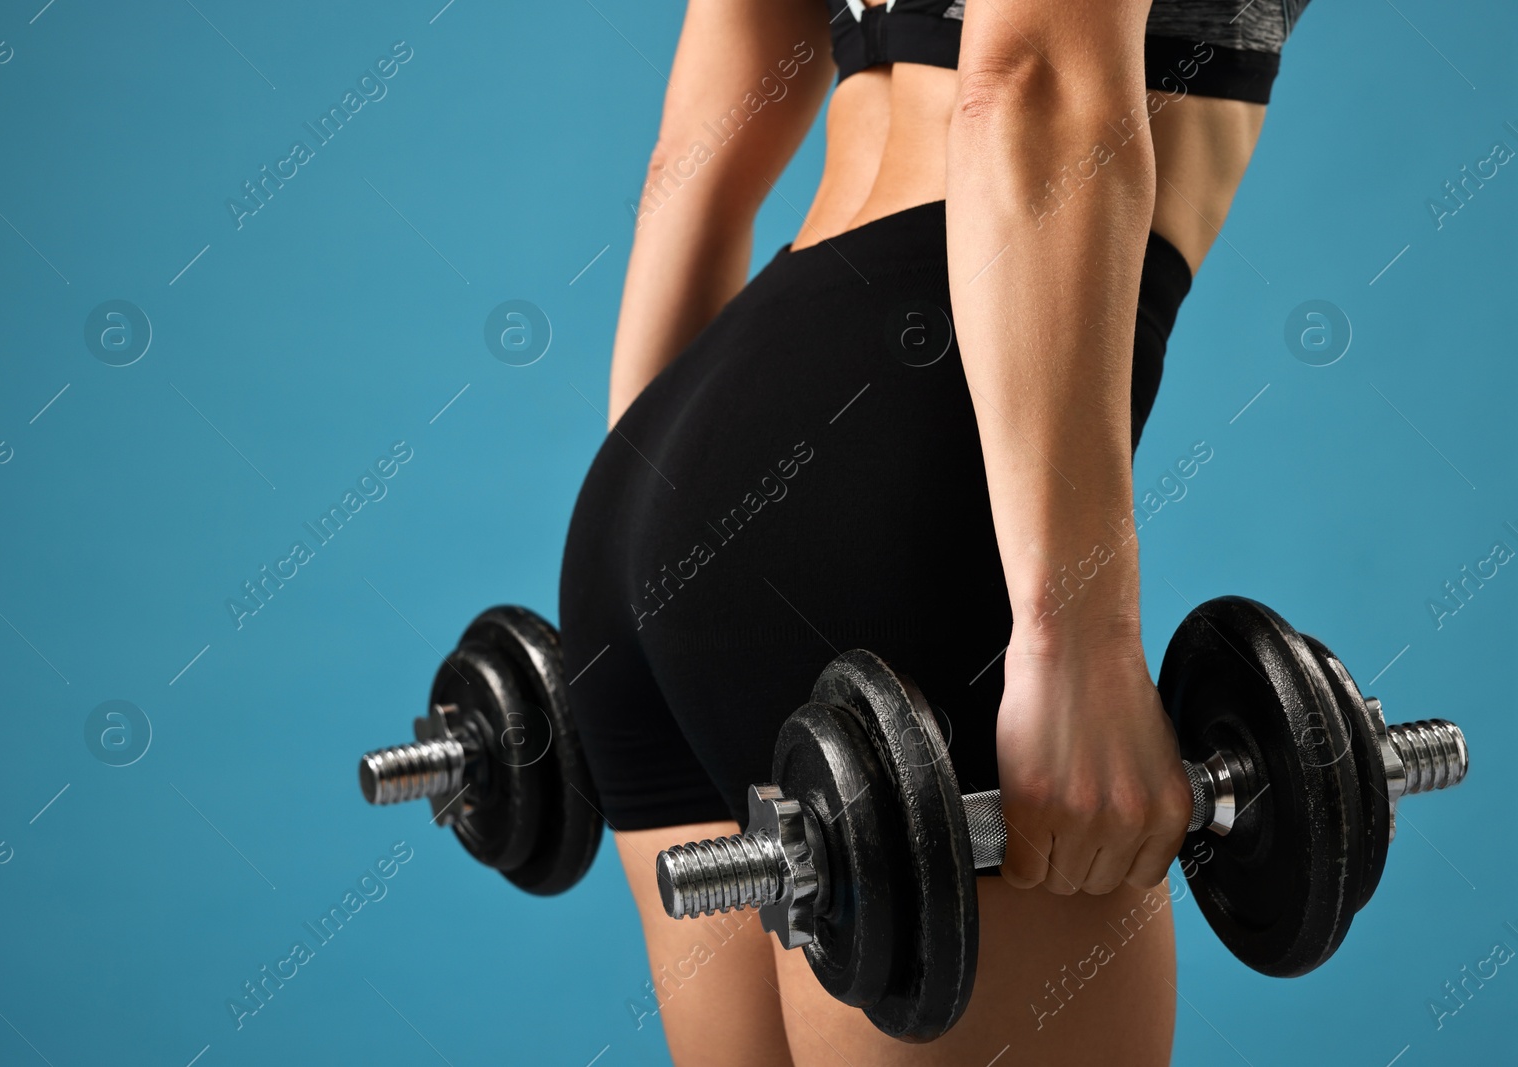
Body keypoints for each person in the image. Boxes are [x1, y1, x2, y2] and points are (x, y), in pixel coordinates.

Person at [559, 0, 1308, 1063]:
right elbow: (1030, 77)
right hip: (903, 453)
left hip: (676, 439)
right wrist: (1074, 642)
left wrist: (637, 551)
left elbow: (693, 146)